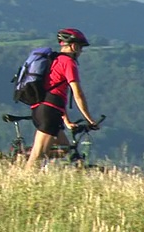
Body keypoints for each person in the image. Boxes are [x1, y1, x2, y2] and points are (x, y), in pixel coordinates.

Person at [25, 28, 100, 169]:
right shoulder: (68, 63)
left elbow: (56, 94)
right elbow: (78, 94)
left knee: (64, 148)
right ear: (73, 46)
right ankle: (23, 181)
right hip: (49, 113)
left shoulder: (54, 60)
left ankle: (22, 158)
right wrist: (90, 120)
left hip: (42, 110)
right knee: (37, 157)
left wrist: (66, 121)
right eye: (80, 47)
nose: (81, 51)